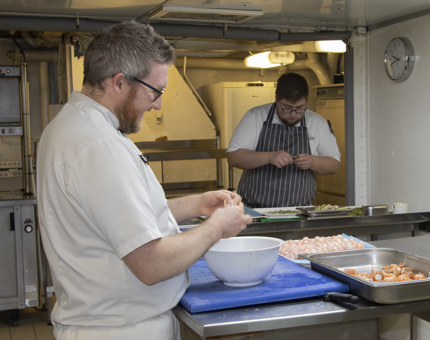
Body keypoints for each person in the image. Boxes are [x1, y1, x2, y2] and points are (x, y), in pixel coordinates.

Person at [36, 21, 252, 340]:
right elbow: (151, 263)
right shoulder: (98, 145)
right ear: (120, 82)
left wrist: (196, 204)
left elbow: (118, 217)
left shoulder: (70, 128)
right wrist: (218, 226)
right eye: (156, 91)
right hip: (121, 329)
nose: (159, 104)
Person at [227, 73, 340, 208]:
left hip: (300, 212)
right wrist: (269, 157)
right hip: (256, 212)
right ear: (276, 98)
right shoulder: (255, 116)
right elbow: (233, 157)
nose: (293, 114)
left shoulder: (317, 122)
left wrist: (312, 162)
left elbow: (334, 165)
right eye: (286, 107)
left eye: (299, 108)